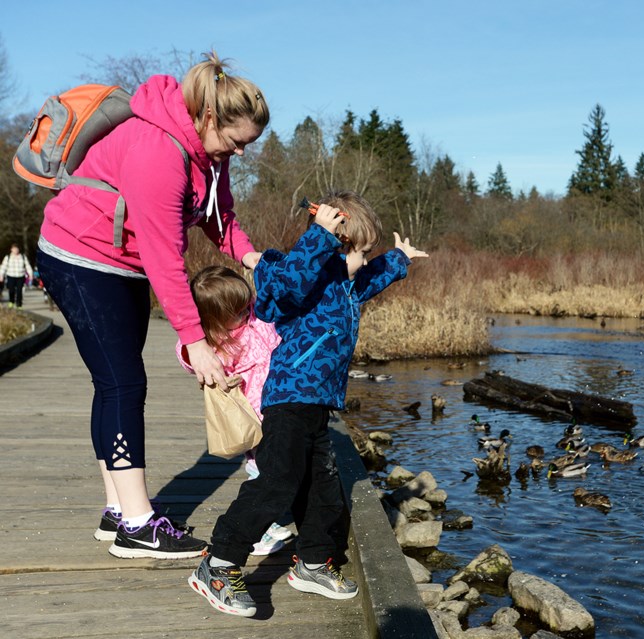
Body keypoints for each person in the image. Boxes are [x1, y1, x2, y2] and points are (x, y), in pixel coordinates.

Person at [36, 51, 269, 559]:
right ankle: (139, 526)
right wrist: (195, 340)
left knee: (114, 382)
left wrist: (254, 258)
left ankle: (119, 509)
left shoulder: (210, 156)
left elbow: (218, 217)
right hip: (79, 256)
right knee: (123, 382)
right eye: (237, 141)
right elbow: (167, 257)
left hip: (121, 261)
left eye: (249, 144)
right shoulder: (158, 150)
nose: (242, 152)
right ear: (209, 117)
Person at [188, 190, 428, 617]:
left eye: (363, 254)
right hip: (288, 397)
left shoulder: (347, 284)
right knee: (277, 482)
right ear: (331, 245)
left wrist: (399, 258)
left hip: (318, 404)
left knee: (324, 491)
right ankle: (220, 562)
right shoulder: (301, 277)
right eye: (353, 252)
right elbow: (280, 287)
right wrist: (320, 238)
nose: (358, 263)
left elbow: (371, 279)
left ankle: (313, 562)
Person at [175, 265, 292, 555]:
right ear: (213, 318)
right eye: (237, 311)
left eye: (246, 304)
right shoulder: (215, 345)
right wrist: (195, 346)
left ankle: (267, 519)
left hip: (277, 405)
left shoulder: (255, 319)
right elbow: (187, 355)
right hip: (250, 416)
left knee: (274, 467)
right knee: (263, 472)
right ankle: (257, 530)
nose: (245, 312)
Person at [0, 244, 32, 308]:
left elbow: (28, 266)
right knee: (11, 290)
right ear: (11, 249)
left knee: (19, 291)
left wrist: (30, 274)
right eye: (14, 249)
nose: (16, 250)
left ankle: (19, 305)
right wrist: (1, 275)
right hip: (10, 276)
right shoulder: (8, 257)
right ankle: (11, 302)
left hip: (20, 276)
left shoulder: (23, 256)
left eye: (17, 249)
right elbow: (3, 267)